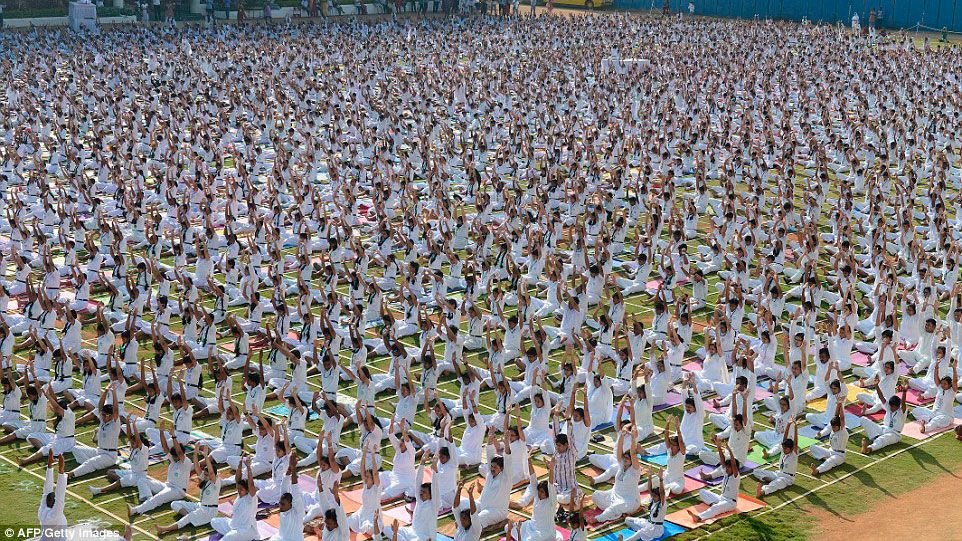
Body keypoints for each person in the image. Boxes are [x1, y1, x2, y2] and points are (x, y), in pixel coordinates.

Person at [39, 451, 68, 533]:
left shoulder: (42, 510)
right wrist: (61, 470)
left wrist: (49, 465)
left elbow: (47, 491)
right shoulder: (54, 515)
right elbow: (60, 494)